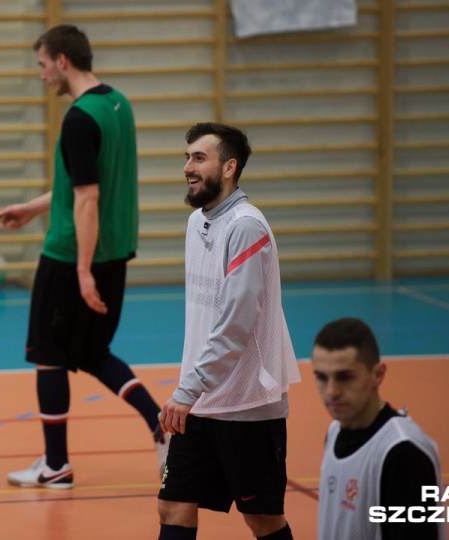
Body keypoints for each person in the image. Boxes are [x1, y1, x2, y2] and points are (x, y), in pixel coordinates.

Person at [0, 24, 168, 489]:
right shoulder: (117, 104)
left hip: (73, 254)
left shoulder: (77, 118)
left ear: (62, 61)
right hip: (115, 251)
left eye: (42, 64)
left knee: (48, 355)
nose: (42, 74)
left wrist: (82, 270)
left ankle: (56, 466)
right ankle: (161, 426)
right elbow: (86, 184)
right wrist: (33, 209)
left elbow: (87, 198)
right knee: (93, 352)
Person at [157, 122, 300, 540]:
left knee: (262, 520)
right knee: (173, 505)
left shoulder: (246, 227)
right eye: (187, 157)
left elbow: (236, 324)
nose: (188, 166)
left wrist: (187, 389)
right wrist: (193, 389)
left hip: (246, 406)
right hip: (202, 401)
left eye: (199, 157)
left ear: (229, 167)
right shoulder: (197, 224)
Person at [311, 317, 446, 540]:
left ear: (378, 374)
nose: (331, 391)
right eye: (322, 377)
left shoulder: (403, 454)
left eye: (345, 376)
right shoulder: (334, 432)